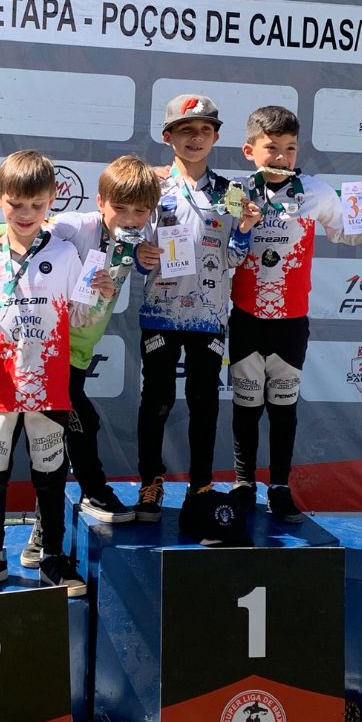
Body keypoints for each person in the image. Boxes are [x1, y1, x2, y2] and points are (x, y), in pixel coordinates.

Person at [0, 155, 165, 559]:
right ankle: (85, 501)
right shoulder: (73, 227)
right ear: (100, 203)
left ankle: (46, 533)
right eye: (121, 208)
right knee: (70, 432)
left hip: (76, 349)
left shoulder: (138, 236)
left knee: (66, 437)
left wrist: (146, 256)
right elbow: (18, 230)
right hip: (48, 352)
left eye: (140, 210)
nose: (131, 218)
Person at [227, 105, 362, 521]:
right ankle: (244, 482)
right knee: (246, 405)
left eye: (290, 148)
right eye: (271, 148)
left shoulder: (316, 192)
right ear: (249, 150)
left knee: (283, 407)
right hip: (246, 315)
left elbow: (349, 234)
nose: (281, 157)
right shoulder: (236, 192)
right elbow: (221, 251)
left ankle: (279, 486)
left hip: (291, 321)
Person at [0, 150, 102, 597]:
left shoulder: (65, 252)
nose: (26, 214)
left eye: (36, 205)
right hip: (0, 384)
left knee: (49, 471)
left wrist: (97, 292)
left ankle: (52, 559)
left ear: (52, 201)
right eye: (17, 204)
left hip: (48, 385)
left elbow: (80, 314)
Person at [136, 94, 263, 520]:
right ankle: (150, 483)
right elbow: (131, 240)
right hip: (160, 313)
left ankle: (201, 484)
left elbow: (232, 258)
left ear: (216, 137)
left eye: (205, 130)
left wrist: (244, 230)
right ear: (168, 136)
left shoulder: (230, 193)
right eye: (186, 130)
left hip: (209, 316)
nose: (196, 138)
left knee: (204, 403)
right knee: (156, 401)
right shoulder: (150, 187)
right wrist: (141, 257)